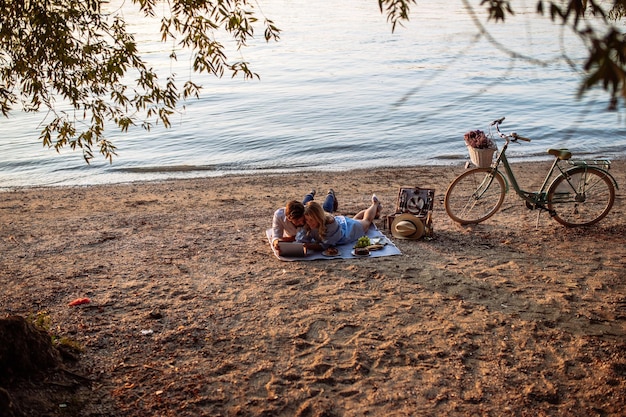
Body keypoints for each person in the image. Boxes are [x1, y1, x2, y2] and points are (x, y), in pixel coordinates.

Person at [298, 195, 382, 251]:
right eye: (307, 220)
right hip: (341, 224)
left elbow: (326, 245)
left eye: (311, 220)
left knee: (366, 222)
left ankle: (375, 204)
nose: (309, 222)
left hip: (347, 232)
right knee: (355, 219)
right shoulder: (307, 223)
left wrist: (308, 246)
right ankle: (376, 211)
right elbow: (302, 239)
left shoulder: (330, 223)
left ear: (318, 217)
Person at [270, 189, 339, 253]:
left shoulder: (307, 217)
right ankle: (311, 194)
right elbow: (276, 235)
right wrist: (276, 242)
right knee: (305, 203)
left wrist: (288, 239)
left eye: (303, 220)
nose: (302, 223)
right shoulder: (279, 215)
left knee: (326, 209)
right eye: (297, 221)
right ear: (289, 219)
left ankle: (330, 194)